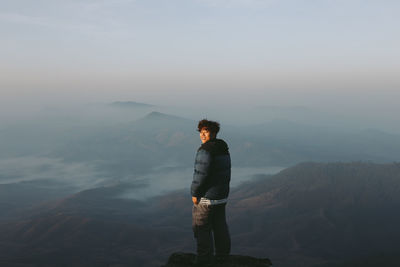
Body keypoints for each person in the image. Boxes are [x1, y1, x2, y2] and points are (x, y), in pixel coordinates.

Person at [191, 119, 231, 266]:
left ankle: (204, 260)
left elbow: (200, 175)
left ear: (213, 133)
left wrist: (195, 193)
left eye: (206, 131)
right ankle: (222, 257)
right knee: (220, 227)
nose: (202, 134)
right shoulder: (223, 149)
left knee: (201, 228)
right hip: (221, 197)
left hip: (207, 199)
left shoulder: (206, 150)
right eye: (200, 132)